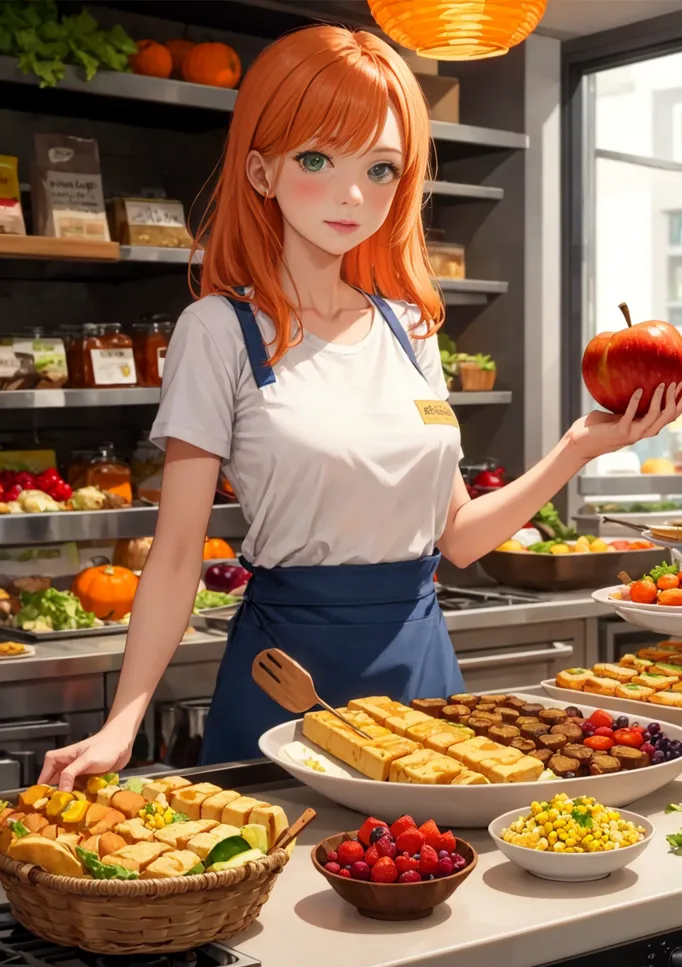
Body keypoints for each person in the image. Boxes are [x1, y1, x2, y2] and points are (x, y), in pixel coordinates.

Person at [40, 25, 682, 789]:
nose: (353, 194)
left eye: (380, 168)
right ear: (261, 171)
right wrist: (123, 722)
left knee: (433, 877)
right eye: (317, 159)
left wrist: (578, 445)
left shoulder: (410, 328)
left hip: (421, 668)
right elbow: (176, 556)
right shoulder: (218, 330)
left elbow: (461, 538)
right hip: (284, 675)